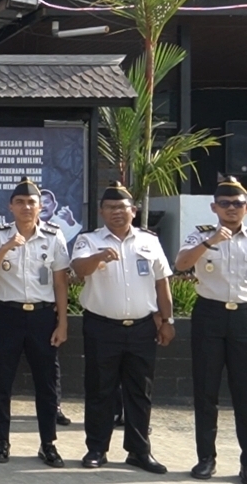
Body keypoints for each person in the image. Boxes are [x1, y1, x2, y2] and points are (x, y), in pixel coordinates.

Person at [71, 181, 174, 474]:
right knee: (99, 389)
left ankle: (139, 451)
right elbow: (78, 270)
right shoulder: (88, 240)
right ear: (102, 212)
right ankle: (96, 448)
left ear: (134, 210)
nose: (117, 212)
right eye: (111, 207)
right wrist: (98, 257)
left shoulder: (149, 241)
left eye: (122, 207)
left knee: (140, 392)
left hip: (142, 327)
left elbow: (162, 282)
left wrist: (167, 320)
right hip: (102, 327)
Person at [0, 177, 70, 468]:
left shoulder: (54, 236)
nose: (26, 207)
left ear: (41, 206)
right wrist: (7, 247)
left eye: (31, 202)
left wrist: (63, 322)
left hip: (43, 316)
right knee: (2, 381)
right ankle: (1, 441)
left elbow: (60, 284)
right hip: (8, 315)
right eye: (20, 202)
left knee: (46, 384)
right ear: (11, 207)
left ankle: (48, 443)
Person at [175, 175, 247, 481]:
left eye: (238, 203)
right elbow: (180, 264)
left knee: (244, 393)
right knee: (205, 391)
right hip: (210, 315)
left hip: (244, 317)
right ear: (213, 207)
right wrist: (210, 242)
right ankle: (206, 458)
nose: (232, 208)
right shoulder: (200, 235)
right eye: (225, 203)